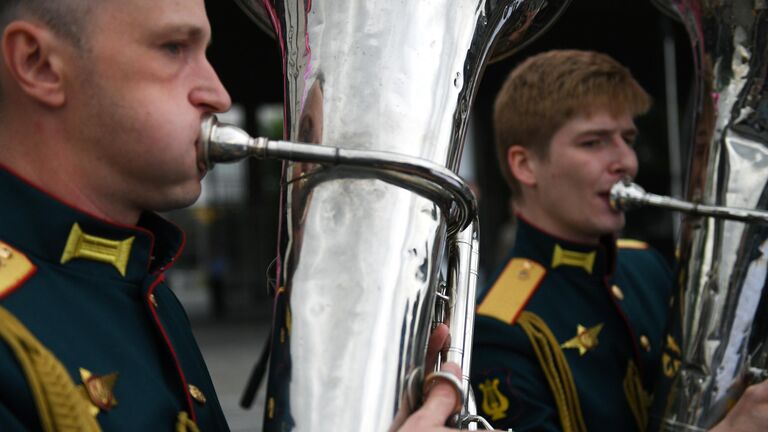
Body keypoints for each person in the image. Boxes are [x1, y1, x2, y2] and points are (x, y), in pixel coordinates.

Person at [0, 0, 461, 430]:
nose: (219, 95)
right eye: (173, 48)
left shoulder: (137, 280)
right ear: (38, 63)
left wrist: (360, 391)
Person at [470, 49, 768, 432]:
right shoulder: (501, 326)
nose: (626, 161)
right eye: (593, 142)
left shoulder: (645, 265)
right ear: (525, 165)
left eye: (627, 138)